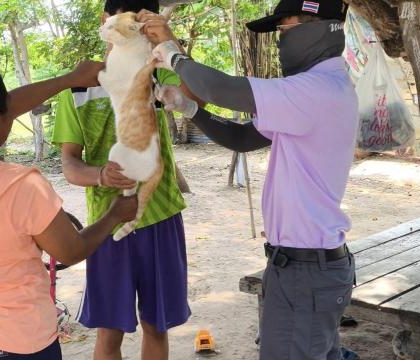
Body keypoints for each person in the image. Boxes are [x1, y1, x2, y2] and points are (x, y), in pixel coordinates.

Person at [139, 0, 358, 359]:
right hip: (304, 267)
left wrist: (172, 54)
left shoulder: (316, 90)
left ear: (315, 25)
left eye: (282, 31)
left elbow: (222, 89)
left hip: (305, 271)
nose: (278, 42)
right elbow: (241, 138)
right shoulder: (321, 88)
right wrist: (191, 109)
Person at [52, 1, 202, 359]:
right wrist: (100, 174)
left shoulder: (158, 70)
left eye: (145, 23)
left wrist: (168, 40)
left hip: (160, 214)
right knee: (110, 331)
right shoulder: (77, 88)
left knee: (156, 325)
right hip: (106, 224)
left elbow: (195, 95)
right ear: (107, 20)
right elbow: (70, 164)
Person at [0, 60, 139, 360]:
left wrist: (71, 79)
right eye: (6, 111)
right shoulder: (19, 186)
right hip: (22, 339)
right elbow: (71, 250)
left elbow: (0, 105)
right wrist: (114, 215)